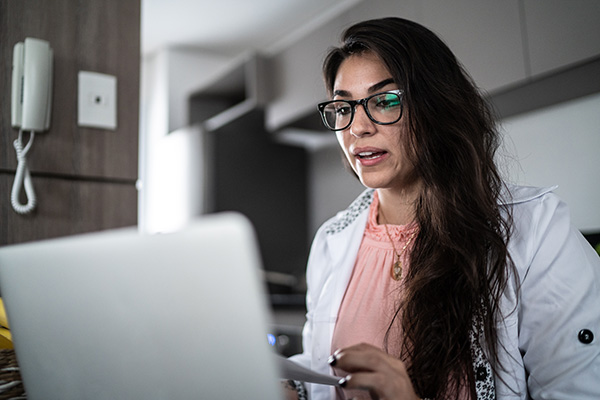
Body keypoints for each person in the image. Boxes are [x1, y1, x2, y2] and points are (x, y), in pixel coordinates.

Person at [285, 17, 600, 400]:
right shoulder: (331, 240)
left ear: (436, 106)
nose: (357, 128)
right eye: (343, 107)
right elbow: (322, 370)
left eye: (385, 101)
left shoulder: (537, 230)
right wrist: (290, 390)